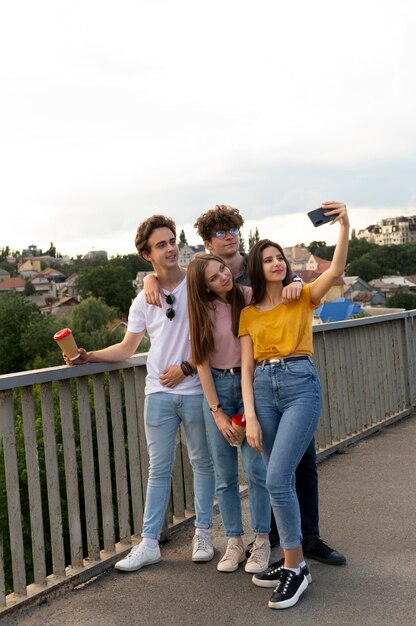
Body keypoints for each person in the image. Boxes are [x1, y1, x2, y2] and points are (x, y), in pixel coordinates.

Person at [193, 204, 346, 570]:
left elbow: (295, 278)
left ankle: (302, 540)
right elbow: (197, 333)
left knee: (294, 465)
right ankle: (273, 540)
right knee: (258, 470)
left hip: (287, 379)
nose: (228, 235)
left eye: (233, 229)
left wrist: (293, 279)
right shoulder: (203, 278)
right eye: (220, 231)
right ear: (207, 244)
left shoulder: (256, 265)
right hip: (250, 381)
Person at [64, 215, 215, 573]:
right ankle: (148, 543)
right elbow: (127, 349)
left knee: (202, 463)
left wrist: (187, 367)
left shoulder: (197, 283)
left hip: (196, 389)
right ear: (146, 254)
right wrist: (89, 356)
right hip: (158, 394)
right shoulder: (143, 299)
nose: (171, 248)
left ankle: (204, 533)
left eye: (173, 240)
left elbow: (215, 337)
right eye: (161, 244)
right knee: (158, 469)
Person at [239, 201, 350, 609]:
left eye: (279, 258)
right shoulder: (249, 314)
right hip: (264, 391)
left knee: (279, 478)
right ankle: (292, 557)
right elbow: (247, 369)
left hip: (300, 382)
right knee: (275, 477)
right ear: (257, 267)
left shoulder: (301, 295)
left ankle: (295, 567)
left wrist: (344, 226)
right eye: (267, 259)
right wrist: (250, 416)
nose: (275, 263)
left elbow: (335, 272)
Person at [187, 253, 271, 574]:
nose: (223, 276)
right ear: (205, 288)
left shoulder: (248, 296)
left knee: (255, 469)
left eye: (222, 269)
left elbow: (281, 289)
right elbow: (202, 365)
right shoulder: (202, 313)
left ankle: (261, 539)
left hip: (251, 385)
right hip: (219, 389)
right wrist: (217, 413)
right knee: (224, 476)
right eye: (213, 277)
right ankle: (234, 541)